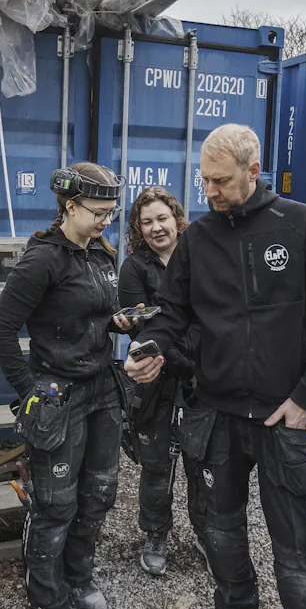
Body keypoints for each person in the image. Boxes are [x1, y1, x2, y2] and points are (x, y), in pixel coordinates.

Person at [124, 123, 306, 609]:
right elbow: (171, 311)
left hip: (285, 417)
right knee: (221, 537)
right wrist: (148, 346)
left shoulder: (301, 224)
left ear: (253, 171)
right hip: (216, 417)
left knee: (300, 556)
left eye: (221, 181)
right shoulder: (197, 239)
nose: (210, 191)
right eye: (204, 180)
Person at [0, 162, 138, 609]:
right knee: (56, 505)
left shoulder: (101, 255)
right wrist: (30, 391)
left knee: (99, 494)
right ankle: (48, 603)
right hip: (59, 396)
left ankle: (78, 578)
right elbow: (1, 330)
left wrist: (119, 322)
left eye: (111, 213)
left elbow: (95, 314)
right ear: (70, 206)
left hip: (102, 390)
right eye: (98, 212)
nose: (105, 221)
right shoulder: (42, 260)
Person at [117, 186, 197, 576]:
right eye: (146, 222)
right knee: (157, 463)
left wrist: (204, 370)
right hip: (158, 378)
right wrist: (188, 369)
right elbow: (144, 331)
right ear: (139, 228)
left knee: (205, 460)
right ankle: (156, 534)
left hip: (204, 377)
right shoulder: (134, 267)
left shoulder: (199, 256)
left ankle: (209, 533)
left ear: (176, 219)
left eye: (162, 218)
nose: (156, 227)